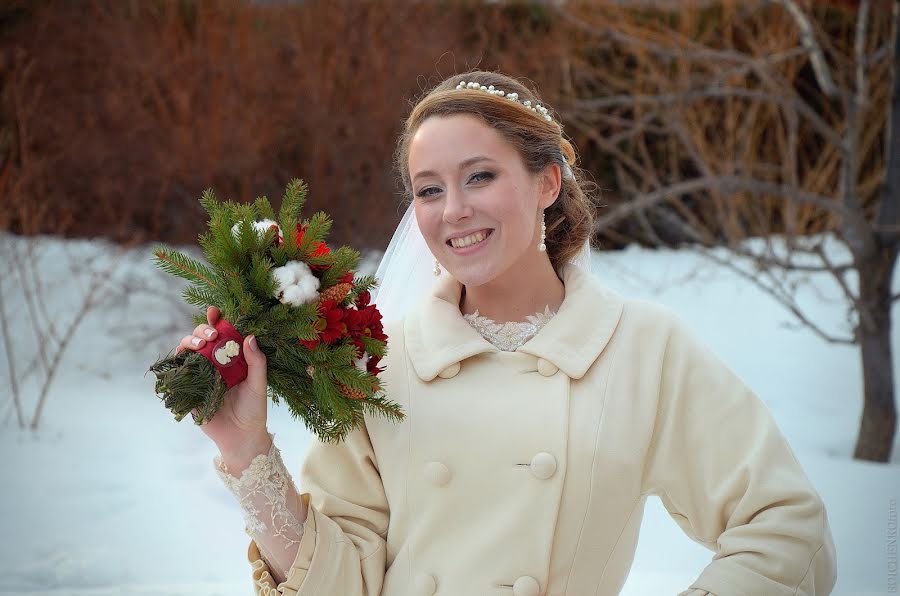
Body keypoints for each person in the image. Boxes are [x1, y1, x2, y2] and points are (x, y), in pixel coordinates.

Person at [177, 70, 837, 595]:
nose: (453, 210)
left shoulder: (642, 349)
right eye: (428, 190)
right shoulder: (382, 362)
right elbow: (341, 586)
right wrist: (247, 454)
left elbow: (786, 526)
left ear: (547, 181)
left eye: (480, 176)